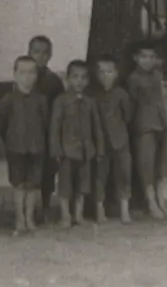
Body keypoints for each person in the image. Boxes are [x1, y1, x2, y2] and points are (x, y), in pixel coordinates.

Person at [0, 56, 49, 235]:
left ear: (37, 75)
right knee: (19, 184)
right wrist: (11, 140)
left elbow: (46, 123)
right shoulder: (7, 100)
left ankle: (30, 218)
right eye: (22, 72)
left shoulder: (41, 100)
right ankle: (19, 218)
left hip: (37, 147)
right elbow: (1, 124)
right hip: (15, 147)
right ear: (14, 75)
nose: (27, 77)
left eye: (32, 72)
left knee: (33, 184)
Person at [49, 60, 99, 229]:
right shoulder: (61, 101)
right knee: (65, 184)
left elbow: (96, 127)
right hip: (67, 151)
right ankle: (65, 215)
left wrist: (98, 148)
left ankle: (79, 215)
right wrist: (56, 148)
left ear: (88, 81)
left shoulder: (91, 102)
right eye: (75, 77)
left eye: (84, 77)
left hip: (86, 151)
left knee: (83, 184)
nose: (79, 81)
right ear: (67, 79)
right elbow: (55, 126)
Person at [128, 41, 167, 219]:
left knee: (160, 165)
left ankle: (161, 200)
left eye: (152, 57)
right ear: (135, 58)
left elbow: (161, 99)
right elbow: (132, 103)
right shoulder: (133, 78)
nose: (148, 60)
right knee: (146, 163)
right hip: (143, 124)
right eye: (144, 56)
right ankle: (151, 202)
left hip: (160, 123)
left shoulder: (157, 75)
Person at [27, 35, 63, 221]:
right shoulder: (23, 78)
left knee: (48, 172)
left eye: (44, 53)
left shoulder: (53, 81)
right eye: (36, 52)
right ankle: (29, 209)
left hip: (47, 132)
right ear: (29, 53)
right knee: (29, 172)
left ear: (49, 56)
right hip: (28, 134)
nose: (39, 57)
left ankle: (46, 206)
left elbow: (59, 109)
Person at [94, 56, 132, 224]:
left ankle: (124, 210)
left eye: (109, 72)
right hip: (100, 142)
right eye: (101, 72)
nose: (105, 76)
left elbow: (128, 116)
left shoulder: (122, 94)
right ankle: (99, 209)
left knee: (123, 173)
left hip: (120, 140)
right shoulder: (93, 95)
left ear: (116, 73)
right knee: (100, 175)